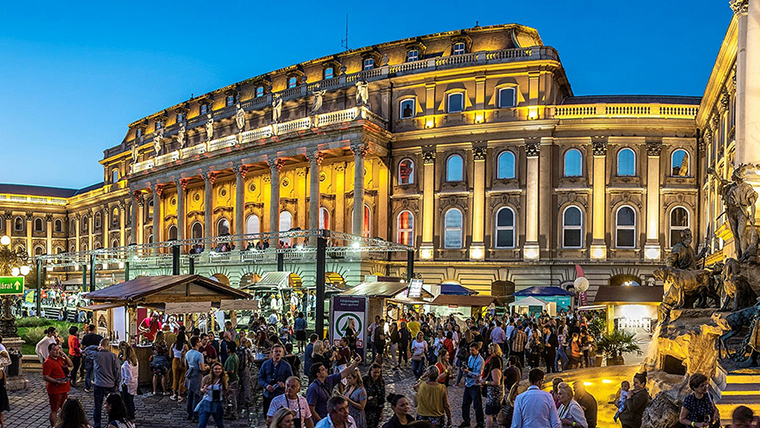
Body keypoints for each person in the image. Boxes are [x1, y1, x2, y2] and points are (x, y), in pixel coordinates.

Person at [307, 357, 362, 424]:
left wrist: (355, 363)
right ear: (318, 374)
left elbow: (344, 373)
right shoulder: (313, 388)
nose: (326, 370)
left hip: (330, 418)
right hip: (321, 420)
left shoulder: (329, 380)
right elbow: (311, 409)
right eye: (323, 369)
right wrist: (322, 422)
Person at [88, 338, 120, 428]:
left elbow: (87, 350)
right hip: (110, 384)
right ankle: (112, 423)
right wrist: (117, 381)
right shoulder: (113, 356)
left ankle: (97, 424)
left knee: (97, 406)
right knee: (112, 405)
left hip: (99, 384)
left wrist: (96, 347)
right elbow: (117, 370)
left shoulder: (96, 355)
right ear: (108, 345)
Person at [259, 343, 294, 417]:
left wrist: (284, 384)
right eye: (276, 351)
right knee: (268, 416)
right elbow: (260, 378)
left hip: (280, 395)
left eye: (280, 351)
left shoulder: (286, 366)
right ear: (272, 353)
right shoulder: (265, 364)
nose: (278, 353)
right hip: (268, 395)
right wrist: (266, 385)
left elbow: (291, 379)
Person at [43, 343, 73, 428]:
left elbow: (70, 364)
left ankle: (62, 424)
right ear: (49, 351)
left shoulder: (60, 359)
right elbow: (45, 377)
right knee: (54, 409)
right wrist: (57, 381)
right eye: (54, 350)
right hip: (55, 389)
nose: (56, 352)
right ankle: (54, 426)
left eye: (58, 349)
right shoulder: (48, 362)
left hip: (64, 388)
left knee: (64, 408)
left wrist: (65, 355)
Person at [460, 342, 485, 428]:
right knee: (465, 405)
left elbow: (478, 374)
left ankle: (480, 423)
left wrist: (468, 372)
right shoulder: (470, 357)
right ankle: (466, 420)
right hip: (468, 384)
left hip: (475, 384)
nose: (471, 352)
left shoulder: (480, 360)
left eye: (472, 350)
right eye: (470, 350)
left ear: (477, 350)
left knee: (477, 405)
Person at [481, 343, 504, 428]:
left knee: (489, 413)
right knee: (496, 413)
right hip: (494, 393)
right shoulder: (496, 362)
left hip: (494, 394)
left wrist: (485, 382)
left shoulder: (495, 368)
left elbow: (496, 382)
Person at [198, 362, 228, 428]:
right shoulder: (207, 378)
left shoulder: (223, 379)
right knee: (202, 424)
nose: (217, 371)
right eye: (216, 369)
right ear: (212, 370)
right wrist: (204, 389)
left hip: (217, 403)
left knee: (220, 424)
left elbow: (225, 391)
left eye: (219, 369)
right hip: (207, 402)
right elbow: (201, 389)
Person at [185, 336, 207, 423]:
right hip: (197, 375)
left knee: (190, 395)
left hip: (190, 374)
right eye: (199, 341)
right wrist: (207, 367)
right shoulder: (199, 355)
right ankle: (195, 414)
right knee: (197, 395)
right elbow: (202, 368)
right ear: (197, 343)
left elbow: (185, 364)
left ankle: (189, 413)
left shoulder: (188, 353)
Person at [119, 343, 138, 422]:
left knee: (127, 401)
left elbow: (128, 377)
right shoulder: (135, 361)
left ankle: (130, 416)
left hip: (128, 385)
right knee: (130, 400)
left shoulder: (127, 364)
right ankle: (131, 413)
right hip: (134, 383)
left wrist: (124, 384)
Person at [81, 324, 103, 393]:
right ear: (94, 329)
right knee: (96, 370)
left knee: (88, 372)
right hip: (96, 356)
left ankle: (88, 387)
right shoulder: (98, 337)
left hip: (88, 355)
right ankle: (96, 384)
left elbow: (82, 347)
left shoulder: (85, 337)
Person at [363, 364, 385, 428]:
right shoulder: (365, 380)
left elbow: (382, 396)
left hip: (376, 408)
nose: (377, 374)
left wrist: (381, 411)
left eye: (378, 372)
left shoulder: (381, 381)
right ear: (370, 371)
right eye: (375, 372)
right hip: (367, 408)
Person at [148, 331, 170, 396]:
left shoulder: (154, 344)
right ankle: (164, 391)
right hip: (163, 360)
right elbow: (166, 352)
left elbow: (152, 351)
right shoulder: (164, 344)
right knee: (163, 375)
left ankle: (154, 391)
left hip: (155, 360)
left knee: (155, 375)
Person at [170, 326, 188, 401]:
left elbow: (170, 355)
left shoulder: (173, 345)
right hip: (182, 362)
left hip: (175, 361)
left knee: (175, 378)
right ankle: (180, 394)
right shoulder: (185, 345)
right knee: (182, 379)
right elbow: (187, 354)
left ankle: (174, 393)